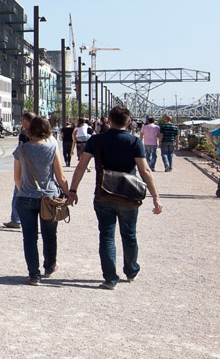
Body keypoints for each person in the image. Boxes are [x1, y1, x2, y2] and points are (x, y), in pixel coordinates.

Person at [68, 106, 164, 289]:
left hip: (104, 193)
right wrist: (155, 197)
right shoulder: (135, 142)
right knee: (129, 234)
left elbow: (81, 166)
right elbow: (145, 171)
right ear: (128, 122)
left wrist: (73, 191)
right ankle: (131, 270)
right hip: (128, 194)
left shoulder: (96, 140)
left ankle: (110, 278)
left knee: (106, 236)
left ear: (109, 121)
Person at [14, 115, 73, 284]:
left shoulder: (21, 149)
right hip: (49, 197)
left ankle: (34, 274)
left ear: (30, 130)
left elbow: (17, 178)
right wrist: (69, 193)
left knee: (30, 237)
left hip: (25, 197)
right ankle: (50, 265)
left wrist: (24, 191)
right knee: (49, 234)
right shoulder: (52, 148)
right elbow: (60, 176)